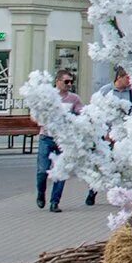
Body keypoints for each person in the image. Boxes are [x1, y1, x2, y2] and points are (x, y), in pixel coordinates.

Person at [85, 68, 132, 205]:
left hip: (123, 135)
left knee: (121, 165)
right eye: (127, 78)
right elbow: (96, 112)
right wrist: (104, 133)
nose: (130, 81)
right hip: (106, 134)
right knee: (102, 164)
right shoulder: (106, 91)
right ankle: (92, 191)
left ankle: (119, 195)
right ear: (119, 77)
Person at [36, 70, 84, 211]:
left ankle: (54, 202)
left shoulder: (74, 98)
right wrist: (41, 120)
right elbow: (35, 114)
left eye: (71, 81)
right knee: (42, 170)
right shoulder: (48, 96)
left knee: (61, 171)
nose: (69, 84)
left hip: (64, 140)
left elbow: (82, 113)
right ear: (57, 81)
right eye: (66, 81)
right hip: (46, 137)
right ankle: (40, 192)